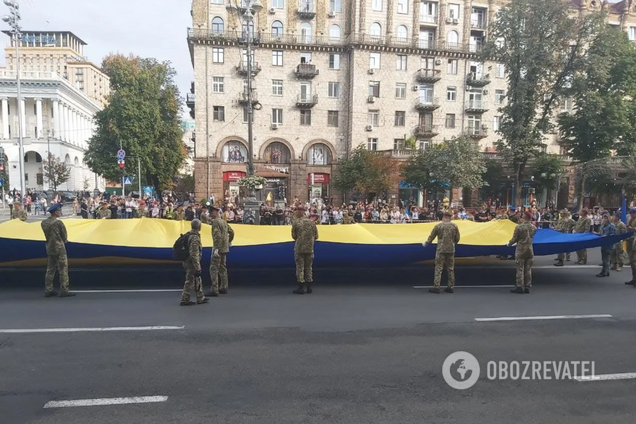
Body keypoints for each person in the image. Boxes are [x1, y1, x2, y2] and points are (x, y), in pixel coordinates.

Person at [41, 203, 74, 297]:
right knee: (63, 269)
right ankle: (64, 290)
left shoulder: (44, 223)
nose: (60, 212)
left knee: (50, 269)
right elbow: (64, 236)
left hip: (49, 247)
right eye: (59, 211)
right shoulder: (58, 223)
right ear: (55, 212)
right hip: (59, 248)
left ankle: (48, 289)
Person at [423, 210, 460, 294]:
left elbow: (431, 236)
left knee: (439, 268)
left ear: (443, 217)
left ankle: (437, 287)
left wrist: (427, 243)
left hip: (441, 249)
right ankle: (450, 286)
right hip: (451, 249)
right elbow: (457, 238)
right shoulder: (454, 226)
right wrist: (452, 243)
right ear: (450, 218)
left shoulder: (438, 226)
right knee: (450, 268)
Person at [180, 219, 209, 306]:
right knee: (190, 280)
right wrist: (197, 266)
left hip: (187, 261)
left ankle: (200, 297)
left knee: (197, 279)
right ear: (199, 227)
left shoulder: (189, 235)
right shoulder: (195, 238)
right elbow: (194, 253)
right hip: (191, 262)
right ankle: (185, 298)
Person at [291, 205, 319, 294]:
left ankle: (300, 287)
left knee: (300, 268)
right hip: (310, 248)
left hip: (299, 248)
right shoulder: (312, 223)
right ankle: (309, 287)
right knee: (308, 267)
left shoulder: (296, 222)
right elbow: (317, 236)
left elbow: (293, 236)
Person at [507, 211, 536, 294]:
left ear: (524, 216)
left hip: (521, 249)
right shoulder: (534, 227)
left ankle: (520, 286)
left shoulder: (519, 227)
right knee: (528, 269)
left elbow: (515, 239)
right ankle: (527, 286)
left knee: (520, 268)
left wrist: (509, 244)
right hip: (529, 249)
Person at [209, 205, 234, 296]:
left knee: (214, 268)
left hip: (218, 249)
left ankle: (214, 289)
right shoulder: (223, 222)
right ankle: (224, 287)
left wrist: (216, 248)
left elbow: (217, 236)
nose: (210, 214)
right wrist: (229, 241)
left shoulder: (215, 222)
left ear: (216, 212)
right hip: (224, 248)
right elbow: (231, 232)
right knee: (223, 268)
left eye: (212, 212)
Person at [595, 213, 616, 278]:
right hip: (603, 244)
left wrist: (606, 236)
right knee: (604, 259)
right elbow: (601, 234)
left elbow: (613, 234)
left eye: (606, 218)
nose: (605, 219)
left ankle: (604, 272)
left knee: (606, 259)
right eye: (604, 218)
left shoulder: (611, 225)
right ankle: (606, 271)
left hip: (609, 244)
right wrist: (596, 234)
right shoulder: (602, 226)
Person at [625, 209, 636, 286]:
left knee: (635, 261)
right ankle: (634, 278)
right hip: (630, 240)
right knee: (632, 261)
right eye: (630, 214)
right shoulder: (630, 219)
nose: (631, 215)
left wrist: (632, 228)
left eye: (632, 214)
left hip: (635, 241)